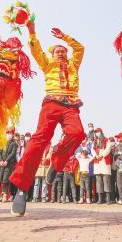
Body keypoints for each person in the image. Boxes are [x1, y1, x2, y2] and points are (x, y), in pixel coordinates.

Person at [10, 19, 85, 216]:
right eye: (57, 50)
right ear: (52, 54)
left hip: (71, 105)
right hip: (51, 103)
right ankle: (21, 188)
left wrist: (65, 38)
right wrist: (31, 30)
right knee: (39, 140)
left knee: (78, 133)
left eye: (63, 50)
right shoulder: (47, 63)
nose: (61, 52)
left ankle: (57, 164)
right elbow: (36, 50)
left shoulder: (73, 64)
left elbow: (80, 48)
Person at [0, 128, 18, 203]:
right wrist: (1, 160)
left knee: (6, 180)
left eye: (10, 133)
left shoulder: (14, 144)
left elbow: (13, 153)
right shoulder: (2, 142)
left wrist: (6, 161)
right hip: (1, 163)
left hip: (9, 164)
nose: (8, 135)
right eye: (7, 133)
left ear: (12, 135)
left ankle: (4, 195)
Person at [92, 128, 113, 205]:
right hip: (97, 162)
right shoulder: (94, 141)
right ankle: (100, 199)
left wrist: (101, 155)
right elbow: (92, 150)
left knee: (106, 181)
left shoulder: (106, 140)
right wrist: (96, 155)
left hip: (104, 161)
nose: (97, 133)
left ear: (101, 132)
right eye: (96, 132)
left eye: (98, 132)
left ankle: (108, 199)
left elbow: (108, 149)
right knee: (98, 181)